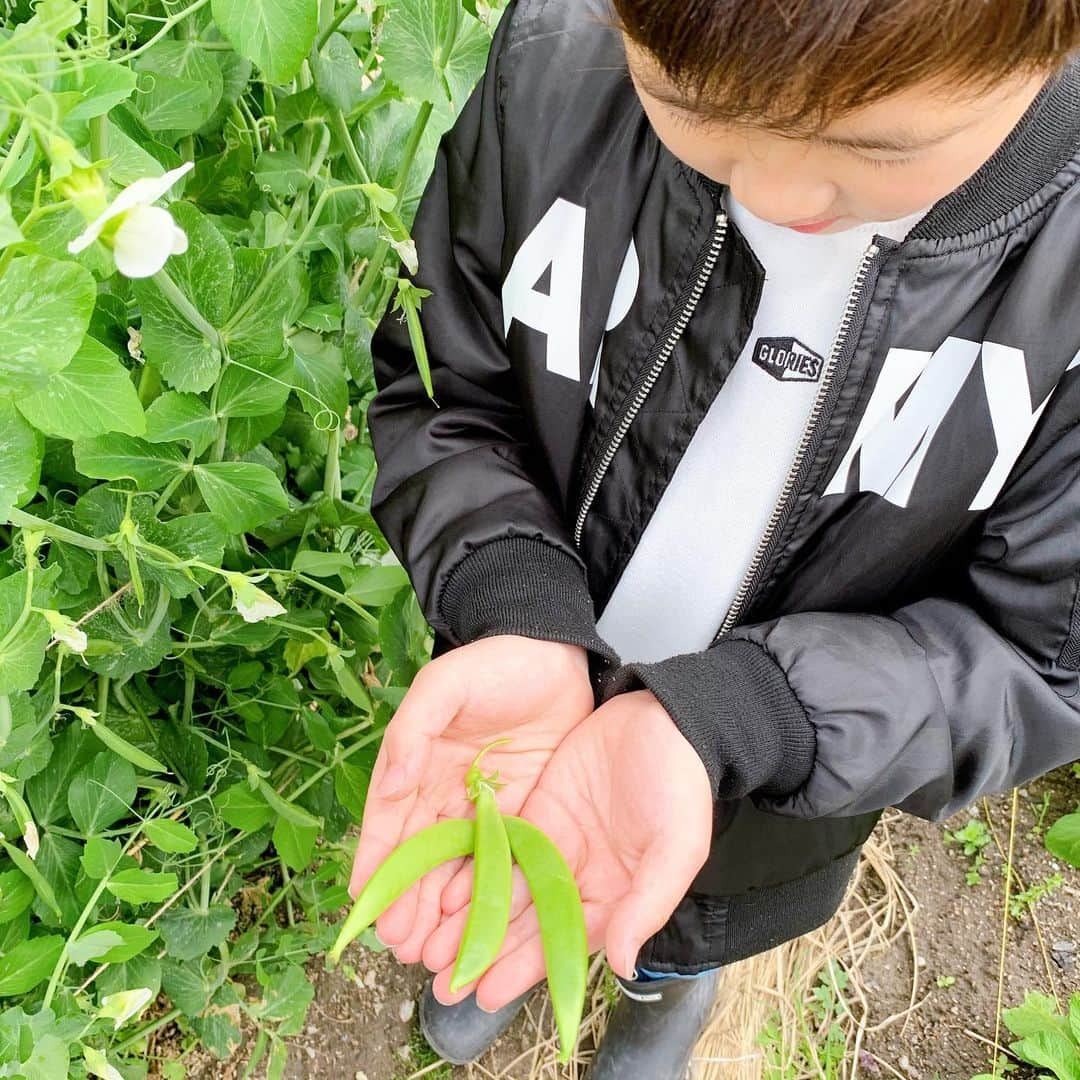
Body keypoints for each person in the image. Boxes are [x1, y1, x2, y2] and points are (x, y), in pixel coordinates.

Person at [348, 0, 1080, 1075]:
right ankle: (513, 948)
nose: (772, 195)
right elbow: (446, 384)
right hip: (538, 676)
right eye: (690, 108)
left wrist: (751, 719)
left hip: (784, 780)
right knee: (525, 858)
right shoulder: (557, 70)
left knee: (678, 911)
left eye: (876, 147)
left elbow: (1039, 660)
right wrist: (508, 599)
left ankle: (660, 994)